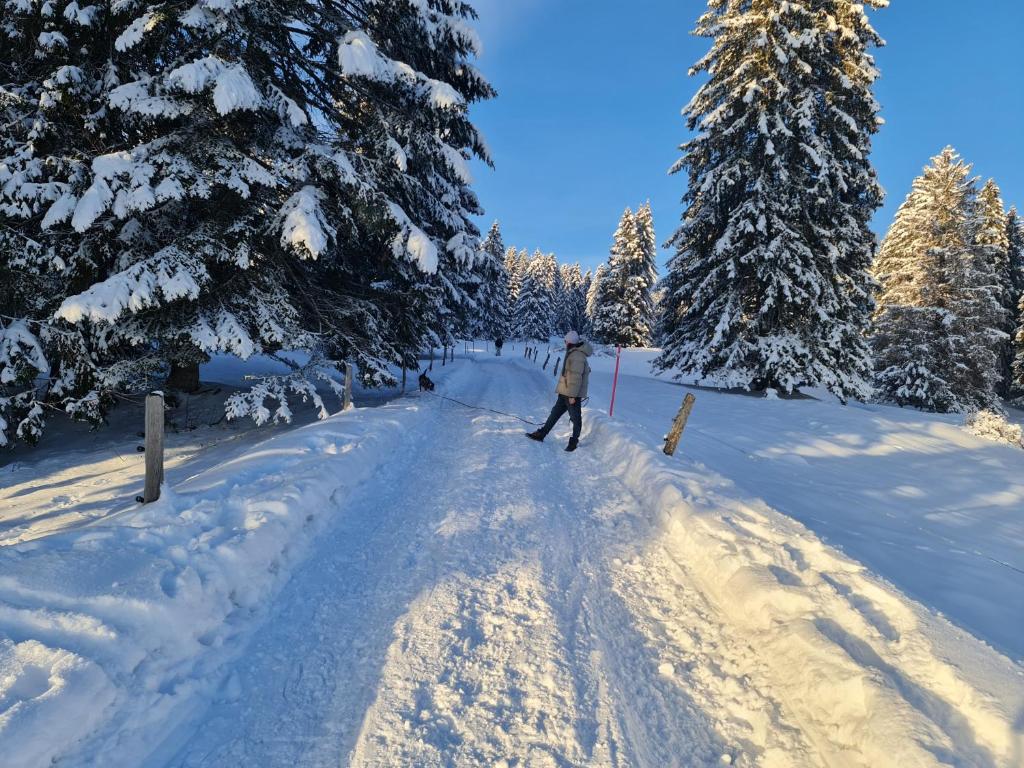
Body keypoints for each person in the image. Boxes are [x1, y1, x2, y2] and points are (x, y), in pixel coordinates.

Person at [526, 331, 592, 452]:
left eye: (566, 340)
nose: (565, 342)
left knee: (576, 419)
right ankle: (541, 434)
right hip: (565, 392)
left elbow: (576, 377)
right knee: (554, 414)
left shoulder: (577, 355)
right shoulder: (573, 352)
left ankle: (573, 442)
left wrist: (572, 396)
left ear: (570, 342)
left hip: (571, 394)